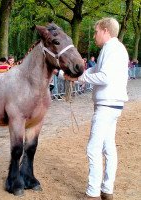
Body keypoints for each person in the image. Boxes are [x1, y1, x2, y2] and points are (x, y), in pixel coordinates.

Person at [64, 17, 129, 200]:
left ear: (105, 31)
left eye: (96, 31)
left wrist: (78, 79)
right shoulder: (116, 48)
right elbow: (95, 71)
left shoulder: (110, 48)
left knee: (93, 149)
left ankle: (92, 193)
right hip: (113, 104)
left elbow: (104, 76)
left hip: (106, 105)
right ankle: (107, 190)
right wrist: (69, 74)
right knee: (108, 148)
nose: (94, 36)